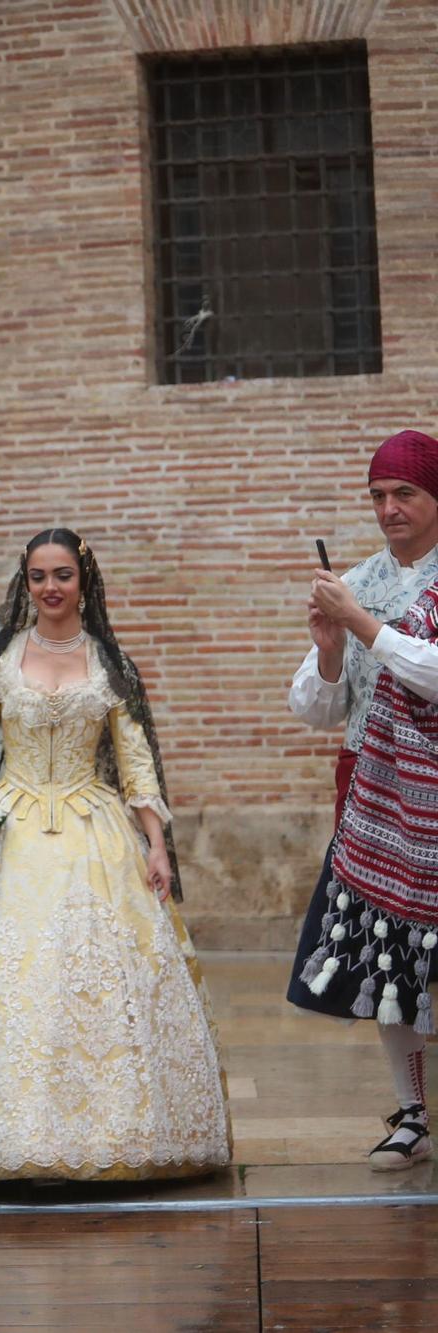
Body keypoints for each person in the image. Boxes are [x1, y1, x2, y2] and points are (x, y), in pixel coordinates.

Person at [0, 529, 229, 1184]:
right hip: (12, 828)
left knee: (95, 977)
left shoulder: (109, 661)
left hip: (95, 827)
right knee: (17, 979)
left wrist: (155, 843)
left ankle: (111, 1131)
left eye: (62, 575)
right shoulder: (0, 659)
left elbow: (138, 763)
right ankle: (11, 1131)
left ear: (83, 582)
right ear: (24, 583)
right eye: (38, 576)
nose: (50, 587)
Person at [290, 429, 438, 1169]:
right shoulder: (354, 582)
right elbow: (319, 710)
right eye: (378, 495)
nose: (389, 508)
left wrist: (364, 626)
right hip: (375, 798)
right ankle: (411, 1113)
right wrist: (328, 643)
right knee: (390, 958)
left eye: (405, 493)